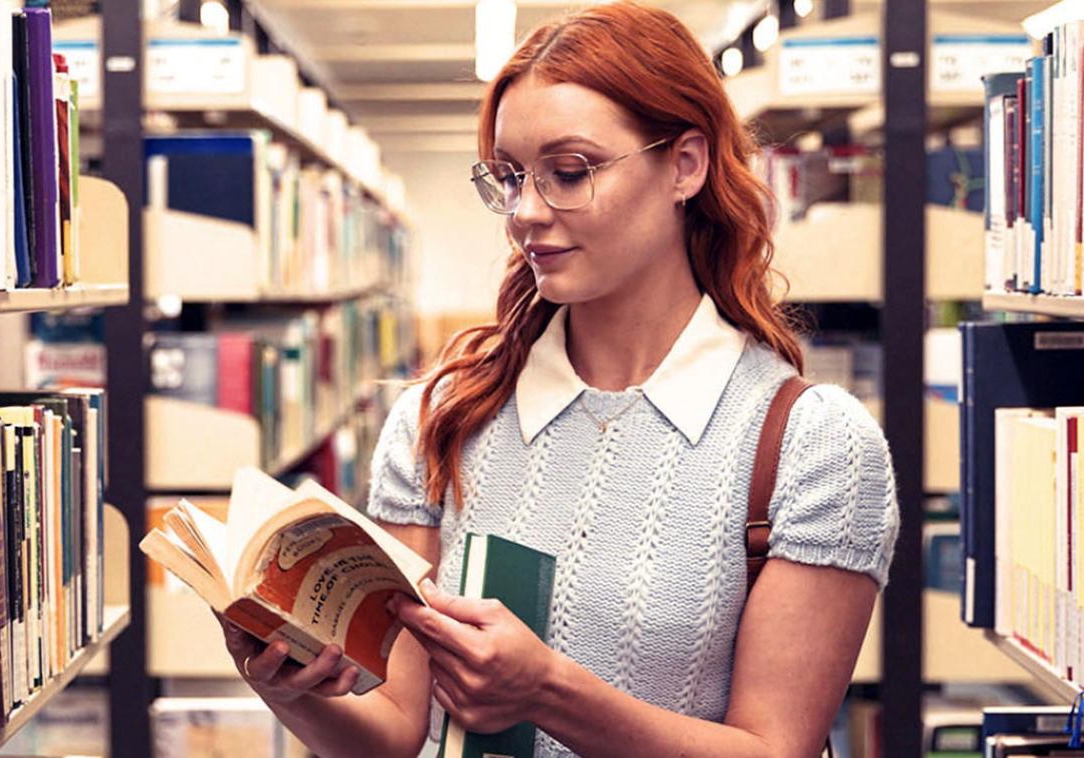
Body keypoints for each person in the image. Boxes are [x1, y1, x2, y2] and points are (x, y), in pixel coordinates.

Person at [218, 2, 900, 756]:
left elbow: (777, 748)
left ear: (686, 165)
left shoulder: (814, 446)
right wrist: (289, 691)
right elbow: (396, 733)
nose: (525, 213)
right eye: (509, 178)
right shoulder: (438, 420)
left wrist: (548, 692)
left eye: (569, 173)